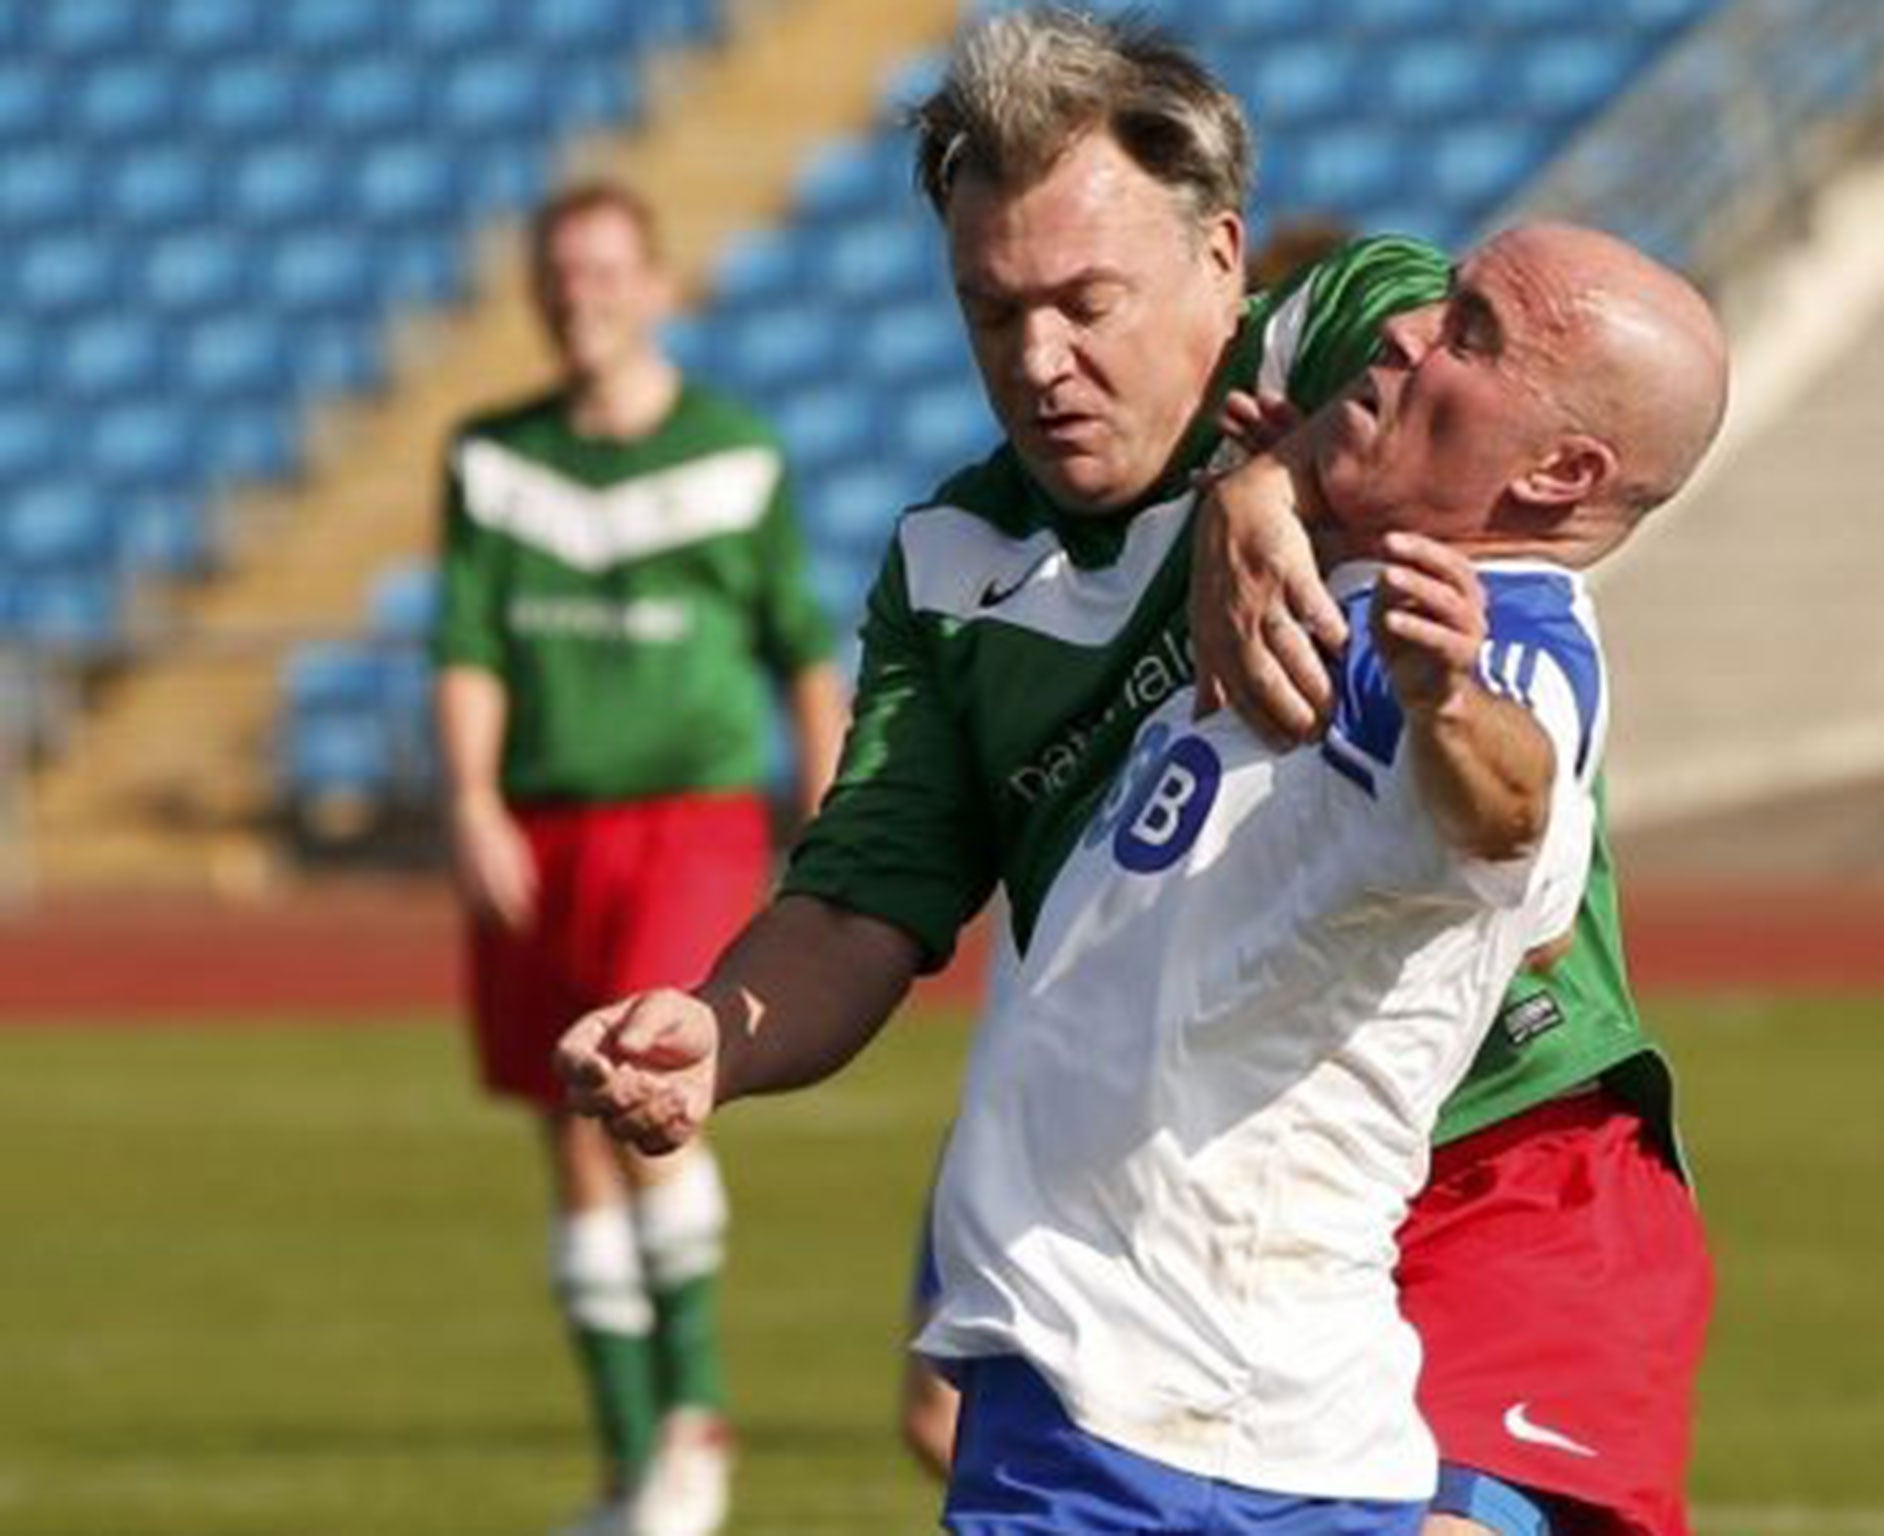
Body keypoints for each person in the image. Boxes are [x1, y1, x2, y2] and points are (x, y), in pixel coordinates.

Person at [559, 11, 1714, 1534]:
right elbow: (857, 907)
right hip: (1169, 1168)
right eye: (992, 312)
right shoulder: (954, 571)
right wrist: (720, 1032)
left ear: (1227, 258)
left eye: (1087, 300)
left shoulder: (1350, 339)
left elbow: (1500, 400)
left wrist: (1260, 484)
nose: (1041, 362)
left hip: (1500, 1149)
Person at [914, 221, 1727, 1532]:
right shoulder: (1320, 587)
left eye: (1470, 335)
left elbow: (1510, 801)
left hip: (1188, 1373)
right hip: (1114, 1354)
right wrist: (1272, 481)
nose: (1408, 330)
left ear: (1562, 468)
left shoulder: (1490, 637)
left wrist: (1448, 702)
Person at [430, 180, 847, 1536]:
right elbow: (469, 646)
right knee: (566, 1128)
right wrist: (475, 799)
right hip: (545, 833)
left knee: (644, 1088)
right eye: (560, 273)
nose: (581, 295)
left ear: (658, 286)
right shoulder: (491, 457)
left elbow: (800, 653)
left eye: (608, 270)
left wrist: (835, 819)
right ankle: (625, 1469)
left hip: (686, 818)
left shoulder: (736, 455)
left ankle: (696, 1429)